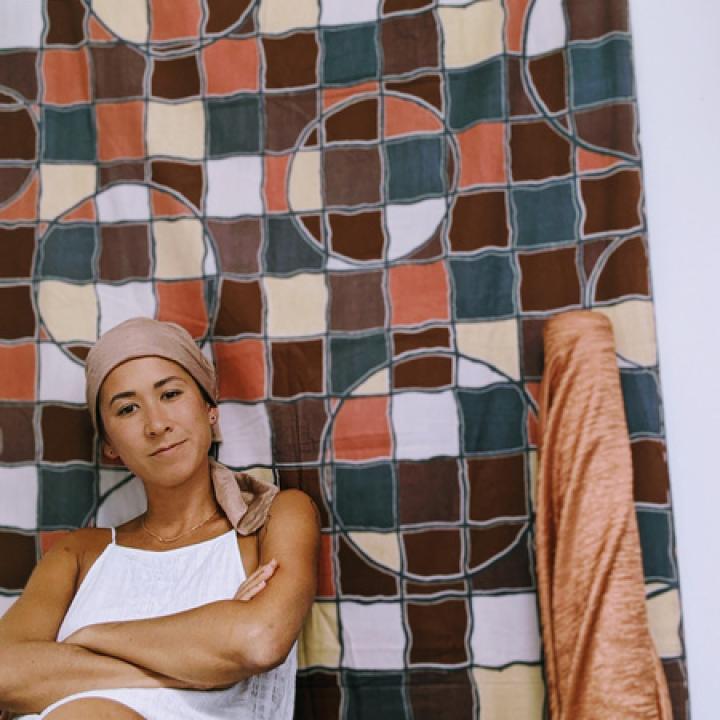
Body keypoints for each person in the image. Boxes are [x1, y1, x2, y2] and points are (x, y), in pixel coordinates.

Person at [0, 318, 320, 719]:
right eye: (128, 408)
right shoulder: (80, 552)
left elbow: (259, 639)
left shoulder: (274, 518)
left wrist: (89, 638)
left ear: (210, 411)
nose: (156, 424)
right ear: (111, 446)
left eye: (170, 394)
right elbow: (5, 673)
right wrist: (200, 667)